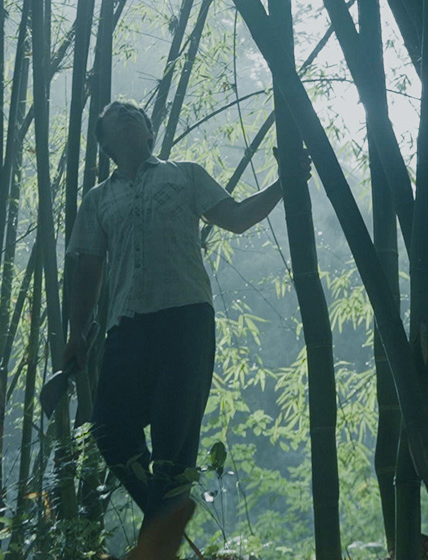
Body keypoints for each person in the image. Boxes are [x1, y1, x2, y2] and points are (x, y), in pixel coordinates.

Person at [51, 100, 300, 560]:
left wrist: (286, 182)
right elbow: (88, 269)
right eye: (117, 117)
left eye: (135, 115)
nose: (128, 116)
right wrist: (76, 333)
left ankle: (158, 542)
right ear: (106, 144)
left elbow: (237, 218)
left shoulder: (185, 175)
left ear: (150, 132)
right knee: (109, 430)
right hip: (126, 326)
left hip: (185, 321)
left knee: (173, 446)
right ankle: (165, 522)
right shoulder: (98, 199)